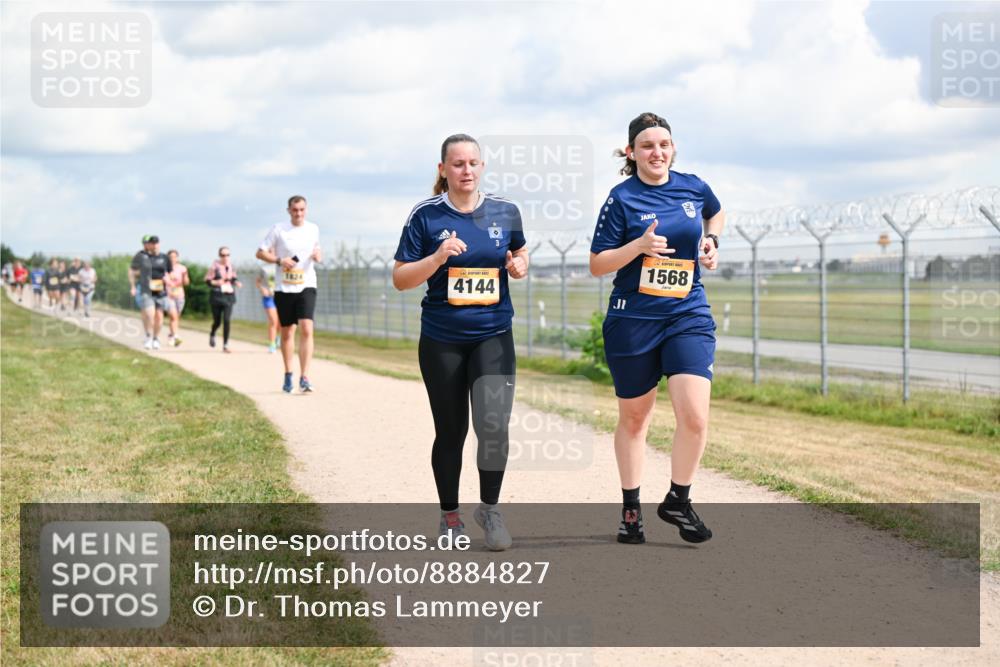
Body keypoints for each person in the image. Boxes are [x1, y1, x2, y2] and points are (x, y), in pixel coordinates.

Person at [589, 112, 725, 546]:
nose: (657, 152)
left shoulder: (693, 186)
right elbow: (597, 264)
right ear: (631, 153)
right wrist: (639, 246)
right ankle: (632, 510)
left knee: (696, 416)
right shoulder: (621, 198)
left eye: (664, 144)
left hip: (687, 313)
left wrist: (710, 241)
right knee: (635, 417)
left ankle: (678, 500)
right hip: (633, 319)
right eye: (647, 145)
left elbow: (715, 214)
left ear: (673, 148)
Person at [392, 133, 529, 550]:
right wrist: (436, 258)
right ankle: (450, 517)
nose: (466, 171)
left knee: (493, 426)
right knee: (451, 431)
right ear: (443, 170)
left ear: (482, 166)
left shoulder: (506, 211)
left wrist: (519, 265)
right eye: (457, 164)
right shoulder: (426, 216)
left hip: (493, 334)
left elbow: (521, 253)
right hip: (443, 340)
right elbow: (400, 278)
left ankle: (489, 509)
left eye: (473, 163)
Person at [255, 196, 322, 392]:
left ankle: (305, 376)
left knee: (307, 327)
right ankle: (288, 374)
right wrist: (279, 260)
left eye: (301, 209)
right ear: (289, 210)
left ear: (306, 210)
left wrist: (318, 255)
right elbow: (260, 252)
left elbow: (316, 248)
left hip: (307, 283)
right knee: (287, 332)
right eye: (295, 210)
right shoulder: (279, 229)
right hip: (284, 287)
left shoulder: (313, 229)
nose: (298, 213)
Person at [129, 235, 173, 350]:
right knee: (150, 314)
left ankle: (156, 338)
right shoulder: (142, 256)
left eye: (156, 243)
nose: (153, 245)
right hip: (146, 290)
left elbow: (170, 272)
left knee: (159, 316)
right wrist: (133, 286)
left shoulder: (164, 258)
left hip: (160, 290)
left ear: (159, 244)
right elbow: (132, 271)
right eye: (151, 243)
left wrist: (168, 279)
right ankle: (148, 336)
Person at [206, 246, 241, 353]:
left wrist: (236, 282)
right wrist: (216, 282)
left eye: (227, 255)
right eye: (223, 255)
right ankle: (212, 333)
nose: (225, 257)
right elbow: (207, 281)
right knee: (217, 321)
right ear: (219, 256)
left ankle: (225, 345)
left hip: (228, 296)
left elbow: (233, 278)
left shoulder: (232, 266)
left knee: (227, 320)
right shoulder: (214, 267)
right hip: (217, 296)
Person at [164, 249, 190, 347]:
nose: (173, 259)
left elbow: (186, 283)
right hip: (168, 296)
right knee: (173, 316)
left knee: (176, 317)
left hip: (180, 295)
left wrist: (185, 275)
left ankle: (171, 335)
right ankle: (175, 337)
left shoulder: (182, 268)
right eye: (170, 257)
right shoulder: (164, 269)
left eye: (175, 257)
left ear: (177, 258)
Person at [255, 261, 281, 353]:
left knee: (280, 321)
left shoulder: (282, 264)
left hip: (281, 296)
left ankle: (278, 337)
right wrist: (262, 289)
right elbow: (257, 282)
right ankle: (272, 344)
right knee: (273, 320)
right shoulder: (263, 268)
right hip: (269, 298)